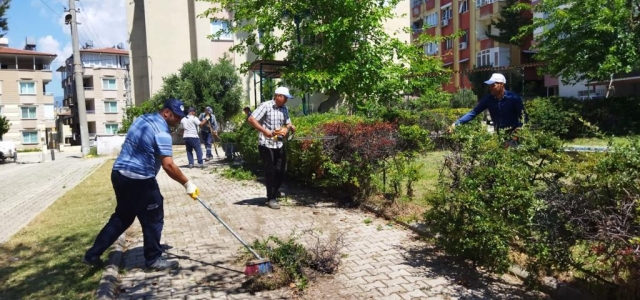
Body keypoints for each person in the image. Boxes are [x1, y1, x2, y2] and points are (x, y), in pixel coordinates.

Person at [83, 98, 201, 271]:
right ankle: (153, 259)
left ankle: (92, 254)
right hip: (139, 179)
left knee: (123, 216)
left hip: (119, 174)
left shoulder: (142, 119)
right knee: (153, 218)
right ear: (166, 112)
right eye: (176, 116)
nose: (178, 120)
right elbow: (168, 165)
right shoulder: (162, 132)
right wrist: (187, 184)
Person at [247, 87, 296, 209]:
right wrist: (264, 131)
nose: (286, 101)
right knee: (271, 171)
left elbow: (287, 123)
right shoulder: (266, 106)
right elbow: (251, 119)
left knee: (281, 171)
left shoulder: (284, 108)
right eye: (285, 98)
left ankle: (275, 190)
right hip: (265, 144)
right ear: (278, 96)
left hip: (279, 143)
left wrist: (290, 126)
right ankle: (271, 198)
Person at [449, 73, 527, 145]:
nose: (490, 88)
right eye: (490, 86)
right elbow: (473, 113)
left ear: (502, 84)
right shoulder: (488, 99)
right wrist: (455, 124)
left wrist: (515, 135)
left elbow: (524, 118)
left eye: (493, 85)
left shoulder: (514, 98)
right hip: (499, 137)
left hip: (514, 138)